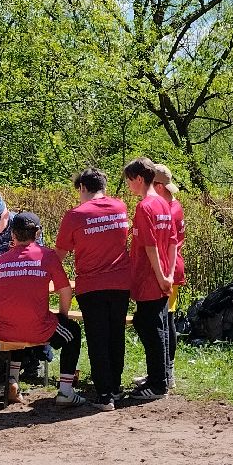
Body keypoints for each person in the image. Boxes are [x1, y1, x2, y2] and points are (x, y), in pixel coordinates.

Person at [0, 211, 87, 407]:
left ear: (12, 234)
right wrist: (62, 316)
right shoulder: (47, 256)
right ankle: (66, 391)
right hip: (37, 328)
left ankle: (12, 380)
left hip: (4, 329)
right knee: (73, 332)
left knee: (17, 328)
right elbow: (65, 291)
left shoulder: (0, 261)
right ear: (37, 234)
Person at [56, 168, 132, 409]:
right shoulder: (120, 207)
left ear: (82, 188)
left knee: (98, 338)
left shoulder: (75, 215)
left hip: (91, 286)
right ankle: (115, 388)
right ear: (104, 186)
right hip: (121, 283)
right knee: (116, 335)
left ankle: (104, 395)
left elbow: (59, 255)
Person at [124, 157, 178, 401]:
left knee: (150, 325)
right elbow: (173, 242)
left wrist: (160, 276)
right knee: (156, 324)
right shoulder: (165, 204)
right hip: (162, 275)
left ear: (138, 179)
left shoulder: (145, 207)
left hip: (150, 277)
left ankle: (158, 384)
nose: (127, 186)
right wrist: (169, 273)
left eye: (128, 181)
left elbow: (150, 246)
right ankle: (161, 375)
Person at [153, 163, 186, 389]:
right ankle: (164, 371)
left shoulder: (168, 209)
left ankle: (167, 372)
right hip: (171, 269)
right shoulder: (174, 205)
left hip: (169, 271)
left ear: (158, 186)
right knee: (165, 319)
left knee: (167, 321)